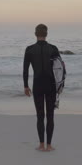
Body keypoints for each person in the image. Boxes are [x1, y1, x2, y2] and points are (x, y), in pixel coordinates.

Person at [23, 24, 60, 152]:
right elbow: (59, 70)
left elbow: (25, 70)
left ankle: (41, 145)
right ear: (46, 34)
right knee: (50, 116)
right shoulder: (53, 49)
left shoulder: (29, 49)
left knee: (40, 116)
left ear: (35, 34)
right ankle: (49, 146)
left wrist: (26, 86)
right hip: (51, 86)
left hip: (37, 85)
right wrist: (60, 86)